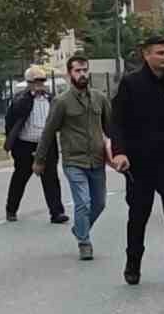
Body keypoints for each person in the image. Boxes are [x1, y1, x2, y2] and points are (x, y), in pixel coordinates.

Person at [110, 34, 164, 291]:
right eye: (161, 53)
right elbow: (117, 122)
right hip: (139, 163)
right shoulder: (131, 84)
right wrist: (120, 152)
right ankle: (133, 262)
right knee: (138, 216)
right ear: (146, 55)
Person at [34, 56, 111, 260]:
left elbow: (111, 129)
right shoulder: (61, 102)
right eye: (77, 71)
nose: (82, 74)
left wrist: (120, 152)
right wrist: (40, 160)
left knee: (100, 203)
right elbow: (48, 132)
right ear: (69, 74)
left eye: (85, 70)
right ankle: (84, 242)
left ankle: (80, 228)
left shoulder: (100, 98)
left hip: (97, 160)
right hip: (74, 161)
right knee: (83, 202)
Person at [3, 66, 68, 225]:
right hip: (25, 145)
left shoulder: (51, 99)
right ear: (29, 82)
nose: (40, 84)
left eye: (43, 80)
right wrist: (11, 144)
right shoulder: (21, 99)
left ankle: (57, 212)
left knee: (51, 178)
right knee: (20, 178)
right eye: (36, 81)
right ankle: (11, 209)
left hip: (46, 145)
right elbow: (10, 121)